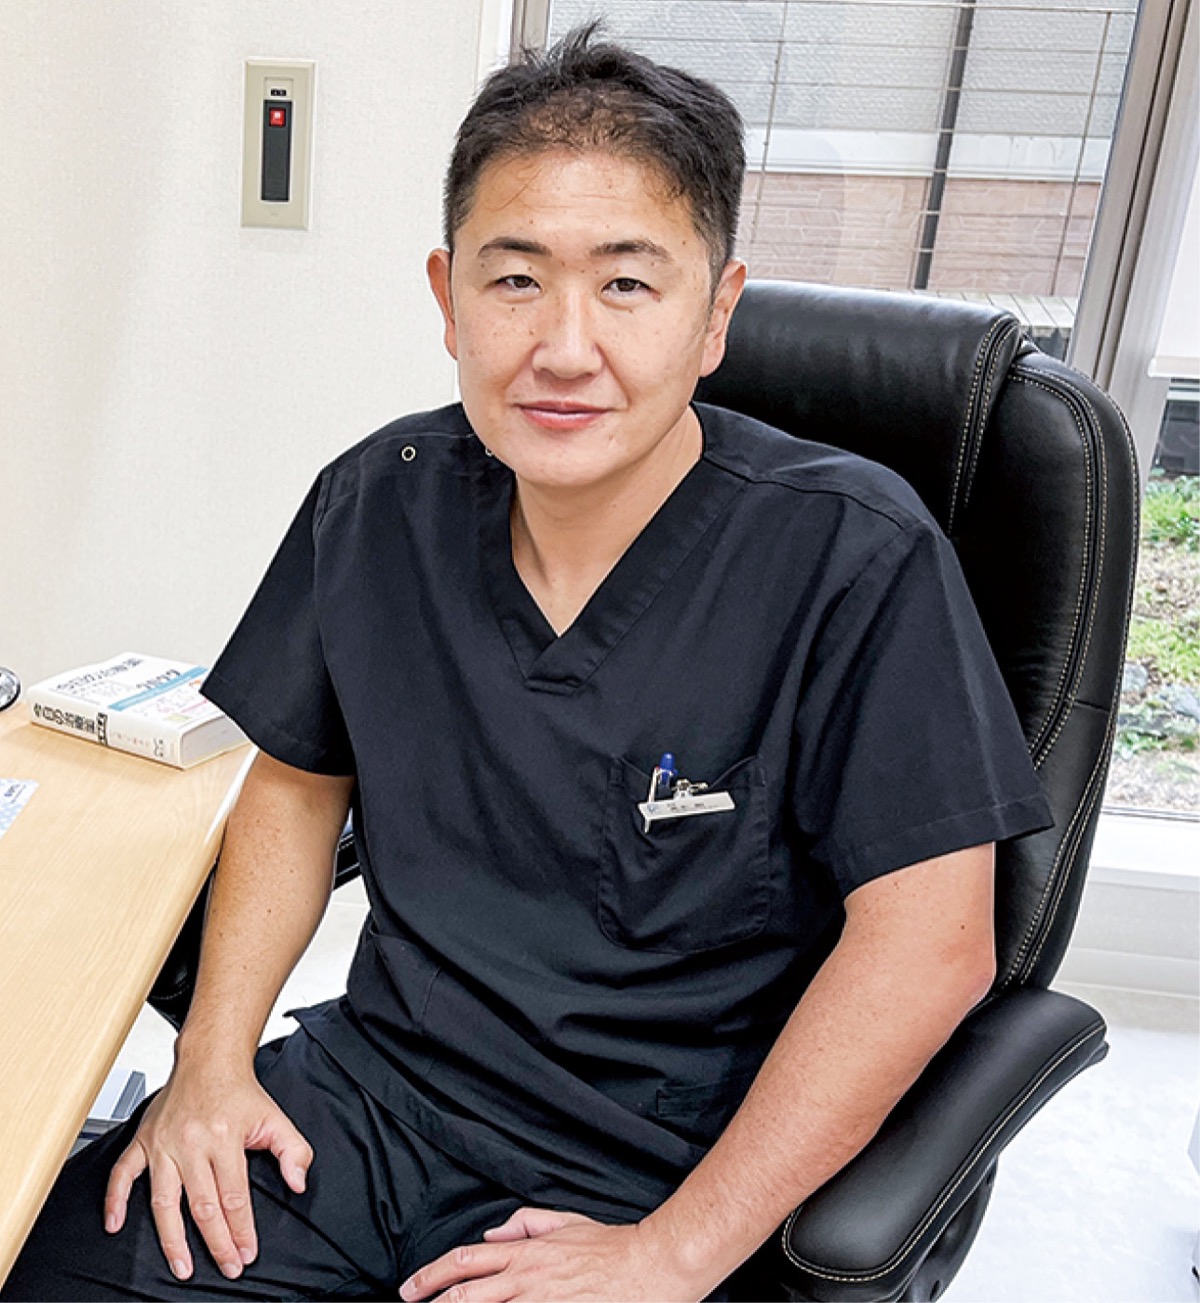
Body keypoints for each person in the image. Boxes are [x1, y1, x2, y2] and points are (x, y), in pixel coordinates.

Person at [3, 24, 1052, 1302]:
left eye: (627, 286)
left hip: (662, 1170)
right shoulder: (378, 503)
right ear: (447, 298)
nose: (563, 347)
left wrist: (674, 1252)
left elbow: (931, 948)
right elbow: (294, 783)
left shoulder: (854, 556)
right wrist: (210, 1067)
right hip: (376, 1103)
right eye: (515, 280)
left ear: (717, 311)